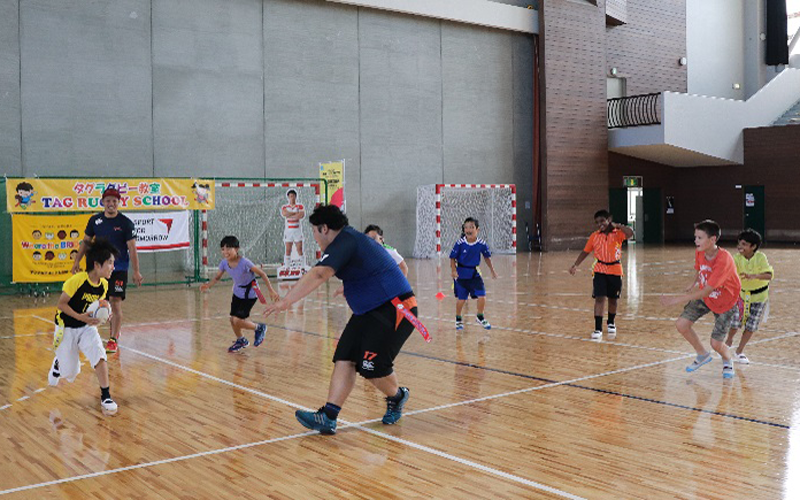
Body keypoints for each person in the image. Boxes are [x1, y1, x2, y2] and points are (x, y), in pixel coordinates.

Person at [264, 205, 418, 435]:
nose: (314, 238)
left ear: (324, 228)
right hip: (369, 311)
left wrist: (286, 301)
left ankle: (398, 396)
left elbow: (319, 273)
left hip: (396, 309)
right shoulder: (348, 242)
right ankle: (328, 416)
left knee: (372, 368)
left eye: (314, 232)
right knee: (344, 357)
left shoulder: (346, 240)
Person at [660, 220, 741, 379]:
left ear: (712, 239)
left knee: (716, 344)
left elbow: (707, 291)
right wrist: (693, 281)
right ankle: (702, 354)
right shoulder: (700, 251)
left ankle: (727, 359)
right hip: (707, 297)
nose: (695, 241)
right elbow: (699, 268)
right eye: (695, 237)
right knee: (681, 324)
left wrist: (676, 300)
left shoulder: (724, 260)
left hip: (725, 302)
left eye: (700, 237)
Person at [49, 238, 119, 414]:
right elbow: (61, 305)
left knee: (99, 355)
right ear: (97, 265)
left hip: (86, 328)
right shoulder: (77, 281)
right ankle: (58, 363)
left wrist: (105, 313)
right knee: (71, 374)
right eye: (110, 263)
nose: (113, 267)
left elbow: (97, 306)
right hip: (66, 327)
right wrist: (81, 317)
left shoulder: (103, 285)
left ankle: (106, 395)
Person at [71, 186, 142, 354]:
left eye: (114, 201)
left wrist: (136, 271)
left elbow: (132, 249)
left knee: (115, 303)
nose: (111, 204)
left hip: (118, 270)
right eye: (108, 201)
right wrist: (77, 261)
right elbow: (86, 242)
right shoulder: (95, 221)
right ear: (102, 202)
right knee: (91, 301)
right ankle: (83, 335)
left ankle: (113, 339)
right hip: (97, 270)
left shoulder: (125, 223)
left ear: (119, 203)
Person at [201, 236, 279, 353]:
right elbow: (217, 277)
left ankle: (259, 328)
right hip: (237, 293)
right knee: (232, 320)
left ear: (237, 249)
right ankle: (241, 340)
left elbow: (262, 274)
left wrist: (271, 290)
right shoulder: (224, 263)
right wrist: (208, 285)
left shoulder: (245, 263)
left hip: (250, 294)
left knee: (237, 320)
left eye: (229, 248)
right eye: (223, 249)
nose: (225, 252)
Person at [569, 209, 633, 340]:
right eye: (597, 222)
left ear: (609, 220)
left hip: (615, 270)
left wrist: (618, 225)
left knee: (613, 299)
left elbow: (630, 234)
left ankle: (611, 322)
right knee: (599, 298)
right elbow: (585, 252)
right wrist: (575, 265)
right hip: (599, 270)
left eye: (602, 221)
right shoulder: (594, 236)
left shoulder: (618, 234)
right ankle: (598, 328)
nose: (600, 224)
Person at [725, 229, 774, 364]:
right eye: (739, 243)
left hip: (759, 298)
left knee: (751, 326)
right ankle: (727, 344)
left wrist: (755, 276)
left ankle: (739, 352)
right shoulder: (736, 258)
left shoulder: (761, 258)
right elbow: (729, 273)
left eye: (744, 244)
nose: (739, 247)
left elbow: (769, 275)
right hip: (741, 296)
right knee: (735, 323)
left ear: (753, 247)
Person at [450, 217, 498, 331]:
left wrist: (492, 270)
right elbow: (452, 258)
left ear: (477, 230)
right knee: (461, 299)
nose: (468, 229)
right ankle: (458, 319)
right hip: (461, 275)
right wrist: (453, 270)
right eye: (466, 227)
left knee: (482, 296)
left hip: (474, 274)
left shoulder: (481, 244)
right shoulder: (460, 243)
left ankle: (480, 316)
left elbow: (487, 258)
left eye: (471, 227)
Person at [281, 189, 305, 268]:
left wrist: (290, 215)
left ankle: (302, 266)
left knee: (299, 249)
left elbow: (301, 215)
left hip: (297, 230)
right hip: (288, 231)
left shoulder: (300, 206)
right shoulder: (285, 207)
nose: (292, 198)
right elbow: (285, 214)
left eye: (293, 196)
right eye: (290, 196)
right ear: (288, 197)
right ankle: (287, 267)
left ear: (295, 197)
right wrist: (295, 213)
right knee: (288, 249)